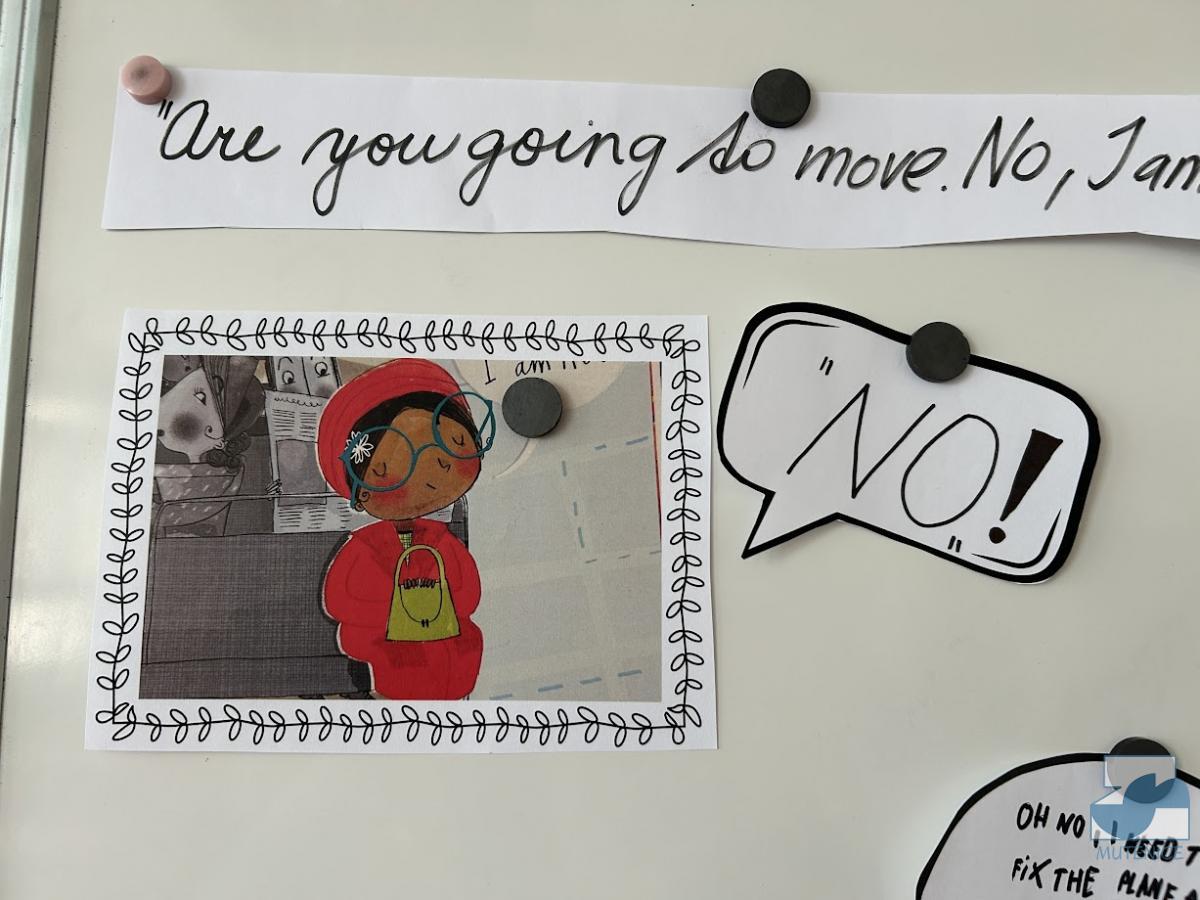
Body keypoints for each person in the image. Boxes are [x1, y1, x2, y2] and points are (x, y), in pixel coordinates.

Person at [315, 359, 493, 700]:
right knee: (400, 660)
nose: (434, 473)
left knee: (461, 648)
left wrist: (437, 605)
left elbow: (468, 591)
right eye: (392, 466)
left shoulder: (442, 541)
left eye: (454, 442)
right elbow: (340, 600)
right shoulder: (364, 546)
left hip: (442, 629)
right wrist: (397, 607)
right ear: (362, 493)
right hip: (387, 635)